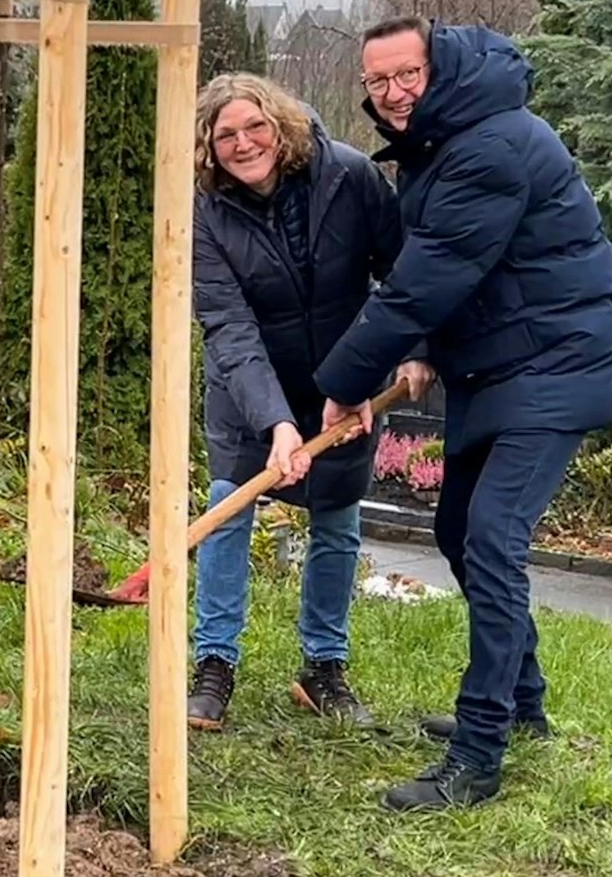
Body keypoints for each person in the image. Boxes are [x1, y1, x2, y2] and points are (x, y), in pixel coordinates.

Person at [314, 18, 612, 812]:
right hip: (501, 366)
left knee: (491, 538)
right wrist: (417, 345)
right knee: (457, 530)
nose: (392, 93)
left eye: (406, 74)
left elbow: (427, 278)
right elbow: (442, 270)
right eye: (378, 81)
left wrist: (347, 381)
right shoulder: (448, 142)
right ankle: (523, 703)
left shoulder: (488, 145)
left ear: (440, 67)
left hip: (553, 363)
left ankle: (479, 753)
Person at [186, 72, 435, 733]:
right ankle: (214, 664)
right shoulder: (205, 212)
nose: (244, 144)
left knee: (336, 515)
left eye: (255, 127)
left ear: (281, 123)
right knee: (227, 505)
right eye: (226, 135)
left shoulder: (347, 176)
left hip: (346, 377)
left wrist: (413, 349)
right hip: (249, 382)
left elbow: (405, 269)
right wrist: (275, 422)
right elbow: (229, 326)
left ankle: (323, 667)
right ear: (210, 148)